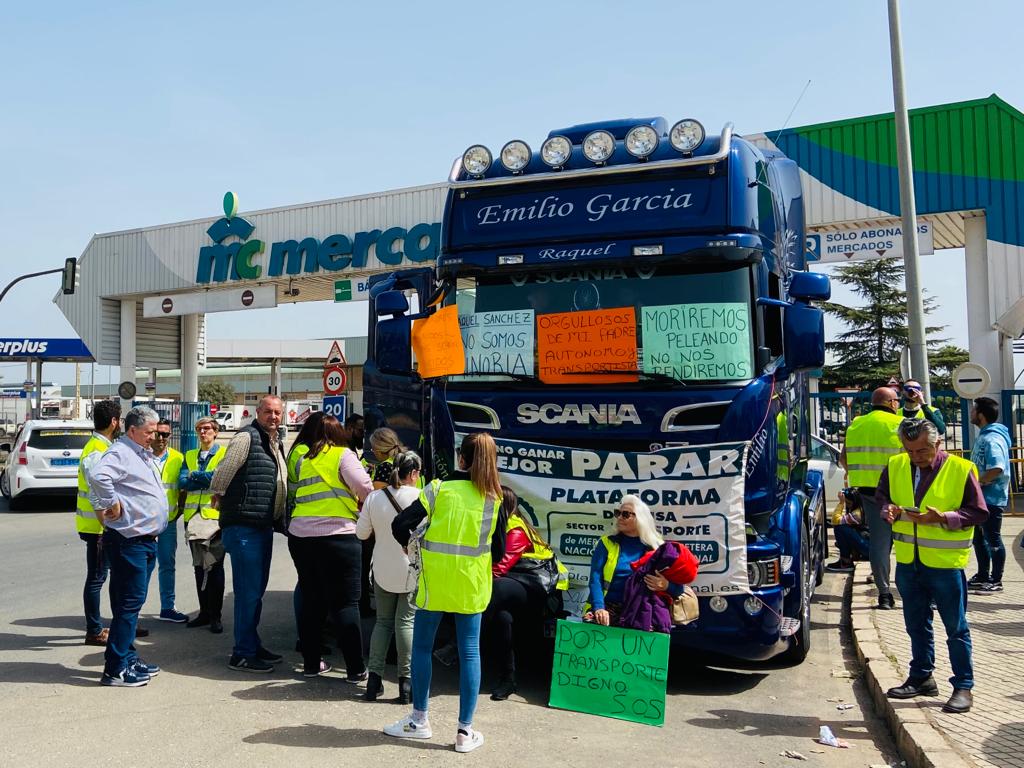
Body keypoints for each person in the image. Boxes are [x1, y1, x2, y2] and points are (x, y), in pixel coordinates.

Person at [385, 432, 507, 754]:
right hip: (471, 585)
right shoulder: (495, 499)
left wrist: (411, 546)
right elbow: (500, 550)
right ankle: (465, 732)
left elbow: (400, 525)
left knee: (423, 647)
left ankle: (419, 720)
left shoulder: (437, 489)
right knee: (470, 652)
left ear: (461, 458)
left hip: (433, 583)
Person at [879, 418, 988, 714]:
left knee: (956, 627)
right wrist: (887, 509)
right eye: (910, 451)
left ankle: (964, 686)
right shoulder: (896, 465)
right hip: (908, 562)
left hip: (944, 565)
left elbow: (978, 512)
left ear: (937, 444)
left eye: (922, 451)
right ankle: (921, 676)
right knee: (916, 624)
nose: (916, 457)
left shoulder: (960, 469)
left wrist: (944, 518)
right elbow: (883, 498)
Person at [286, 411, 373, 678]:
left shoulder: (302, 459)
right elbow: (366, 488)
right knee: (346, 604)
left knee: (312, 600)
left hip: (301, 536)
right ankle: (356, 669)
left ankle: (312, 664)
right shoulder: (343, 455)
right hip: (339, 536)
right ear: (337, 434)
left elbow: (294, 491)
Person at [88, 406, 168, 687]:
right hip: (129, 542)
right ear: (132, 430)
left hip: (143, 540)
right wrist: (112, 503)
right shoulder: (120, 452)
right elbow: (98, 477)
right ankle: (115, 669)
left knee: (130, 605)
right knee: (127, 606)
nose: (153, 437)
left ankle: (128, 658)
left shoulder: (139, 453)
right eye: (149, 432)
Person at [210, 394, 288, 673]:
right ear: (257, 412)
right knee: (247, 593)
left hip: (261, 525)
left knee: (255, 592)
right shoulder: (247, 437)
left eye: (277, 412)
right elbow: (224, 471)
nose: (274, 416)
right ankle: (242, 653)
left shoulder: (273, 441)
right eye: (268, 411)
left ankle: (252, 644)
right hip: (244, 526)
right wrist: (218, 495)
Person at [486, 487, 567, 701]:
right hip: (514, 587)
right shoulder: (494, 526)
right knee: (503, 617)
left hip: (540, 590)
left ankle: (455, 643)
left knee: (496, 589)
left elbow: (498, 569)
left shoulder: (516, 529)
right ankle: (508, 679)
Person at [356, 450, 422, 702]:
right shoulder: (420, 497)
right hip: (411, 569)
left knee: (383, 622)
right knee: (405, 622)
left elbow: (362, 534)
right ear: (414, 473)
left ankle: (373, 682)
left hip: (381, 567)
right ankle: (405, 685)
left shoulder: (375, 497)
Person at [839, 386, 904, 609]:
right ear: (891, 403)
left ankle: (884, 594)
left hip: (869, 493)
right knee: (909, 543)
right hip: (901, 493)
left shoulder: (856, 424)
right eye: (897, 400)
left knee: (879, 544)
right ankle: (914, 591)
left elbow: (843, 459)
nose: (899, 404)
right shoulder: (900, 424)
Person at [585, 495, 677, 627]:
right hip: (608, 607)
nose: (620, 518)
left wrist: (666, 585)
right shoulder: (606, 543)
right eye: (618, 513)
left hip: (642, 610)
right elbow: (595, 578)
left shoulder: (658, 548)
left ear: (640, 519)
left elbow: (679, 589)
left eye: (626, 514)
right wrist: (599, 608)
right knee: (592, 623)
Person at [76, 399, 120, 646]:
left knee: (105, 575)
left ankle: (119, 623)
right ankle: (94, 630)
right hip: (98, 527)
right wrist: (106, 526)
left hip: (98, 526)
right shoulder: (96, 451)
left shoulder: (102, 446)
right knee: (96, 577)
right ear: (114, 422)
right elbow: (95, 492)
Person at [181, 416, 226, 633]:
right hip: (192, 519)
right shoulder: (189, 455)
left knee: (215, 567)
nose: (202, 432)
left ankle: (216, 616)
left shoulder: (224, 453)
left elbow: (219, 478)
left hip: (214, 520)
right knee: (199, 568)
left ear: (215, 432)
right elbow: (182, 482)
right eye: (199, 428)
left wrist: (195, 475)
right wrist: (202, 477)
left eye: (207, 428)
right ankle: (204, 612)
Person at [968, 397, 1011, 593]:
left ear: (981, 415)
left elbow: (997, 468)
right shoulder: (984, 436)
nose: (971, 413)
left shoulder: (992, 439)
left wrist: (978, 482)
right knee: (979, 539)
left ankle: (996, 580)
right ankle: (983, 575)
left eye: (974, 410)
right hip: (980, 498)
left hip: (991, 499)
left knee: (993, 539)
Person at [152, 419, 187, 623]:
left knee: (167, 565)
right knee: (142, 568)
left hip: (168, 522)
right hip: (144, 524)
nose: (163, 438)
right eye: (159, 434)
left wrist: (179, 510)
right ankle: (133, 612)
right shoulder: (141, 457)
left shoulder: (177, 458)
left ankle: (167, 607)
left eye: (166, 434)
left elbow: (181, 488)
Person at [824, 489, 871, 573]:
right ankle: (846, 560)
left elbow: (835, 520)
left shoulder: (857, 514)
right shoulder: (862, 509)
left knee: (840, 528)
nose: (848, 506)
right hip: (868, 546)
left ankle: (846, 562)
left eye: (849, 503)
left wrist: (841, 503)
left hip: (868, 549)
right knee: (844, 532)